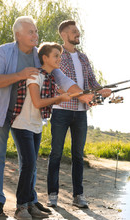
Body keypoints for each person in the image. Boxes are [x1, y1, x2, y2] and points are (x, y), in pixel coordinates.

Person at [0, 16, 94, 216]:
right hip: (1, 111)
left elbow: (60, 77)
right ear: (18, 35)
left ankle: (30, 200)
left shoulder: (39, 56)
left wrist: (83, 95)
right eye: (31, 32)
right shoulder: (4, 52)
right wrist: (20, 74)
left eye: (36, 31)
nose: (36, 35)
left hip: (27, 117)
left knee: (29, 161)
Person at [46, 20, 111, 208]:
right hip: (61, 111)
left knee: (78, 155)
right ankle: (52, 195)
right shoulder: (56, 55)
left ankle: (78, 195)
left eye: (78, 32)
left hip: (81, 113)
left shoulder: (83, 58)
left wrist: (103, 91)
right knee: (56, 153)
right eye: (74, 32)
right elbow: (54, 82)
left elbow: (92, 82)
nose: (78, 34)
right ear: (64, 35)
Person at [11, 42, 71, 220]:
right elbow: (38, 102)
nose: (59, 59)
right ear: (45, 58)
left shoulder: (51, 79)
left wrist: (60, 98)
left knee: (32, 166)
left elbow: (53, 98)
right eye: (56, 56)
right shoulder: (35, 76)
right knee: (28, 165)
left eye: (60, 56)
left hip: (36, 126)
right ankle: (20, 207)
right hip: (22, 124)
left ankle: (30, 204)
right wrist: (58, 98)